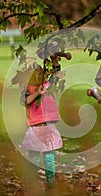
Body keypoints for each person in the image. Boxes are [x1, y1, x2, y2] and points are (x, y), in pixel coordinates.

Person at [20, 51, 71, 188]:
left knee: (49, 158)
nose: (38, 75)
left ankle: (51, 185)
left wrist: (54, 60)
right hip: (35, 127)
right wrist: (37, 93)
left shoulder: (48, 85)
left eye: (40, 72)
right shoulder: (29, 89)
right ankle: (31, 185)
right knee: (34, 158)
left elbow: (57, 74)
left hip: (48, 126)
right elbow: (25, 101)